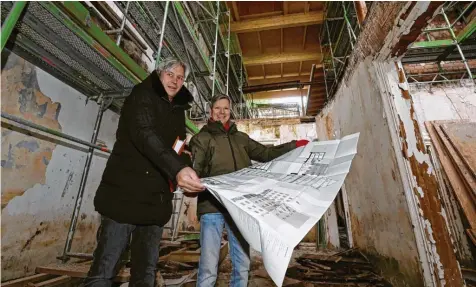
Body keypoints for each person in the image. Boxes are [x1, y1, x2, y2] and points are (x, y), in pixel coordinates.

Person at [85, 57, 205, 287]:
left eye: (180, 77)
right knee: (104, 271)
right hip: (124, 197)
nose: (175, 81)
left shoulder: (179, 110)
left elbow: (178, 144)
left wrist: (185, 168)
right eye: (170, 74)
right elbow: (144, 134)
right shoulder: (141, 96)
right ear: (159, 73)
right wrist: (178, 168)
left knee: (145, 273)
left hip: (155, 203)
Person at [189, 94, 309, 287]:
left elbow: (267, 154)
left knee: (242, 263)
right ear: (211, 111)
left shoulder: (241, 138)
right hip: (212, 208)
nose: (222, 112)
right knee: (209, 266)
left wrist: (294, 145)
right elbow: (196, 173)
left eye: (226, 108)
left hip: (239, 208)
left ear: (230, 111)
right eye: (217, 108)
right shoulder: (201, 139)